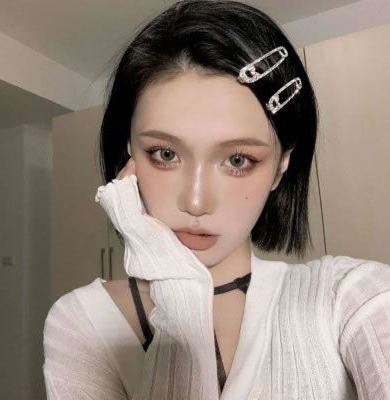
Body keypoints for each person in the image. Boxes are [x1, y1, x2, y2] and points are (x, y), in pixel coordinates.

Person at [42, 1, 390, 399]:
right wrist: (178, 290)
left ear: (281, 166)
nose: (195, 202)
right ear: (129, 154)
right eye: (165, 154)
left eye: (238, 160)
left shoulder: (349, 295)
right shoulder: (84, 322)